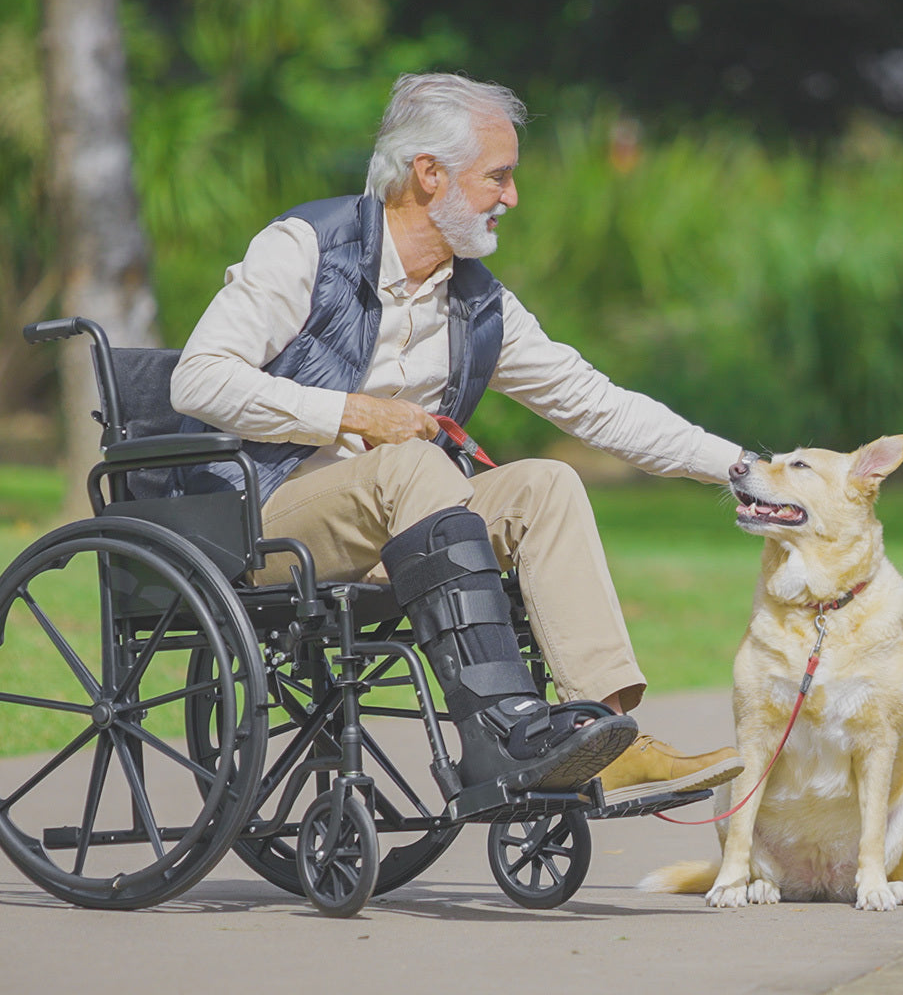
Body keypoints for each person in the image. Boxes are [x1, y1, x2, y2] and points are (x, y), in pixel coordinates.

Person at [171, 72, 746, 803]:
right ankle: (502, 726)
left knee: (546, 484)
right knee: (411, 463)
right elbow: (197, 382)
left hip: (401, 528)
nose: (512, 197)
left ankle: (602, 732)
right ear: (429, 173)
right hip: (262, 520)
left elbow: (597, 405)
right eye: (498, 178)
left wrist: (739, 467)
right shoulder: (304, 249)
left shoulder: (477, 300)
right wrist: (352, 412)